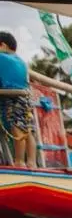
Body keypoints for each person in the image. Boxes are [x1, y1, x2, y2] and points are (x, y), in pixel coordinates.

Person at [0, 32, 36, 168]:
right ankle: (32, 162)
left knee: (17, 129)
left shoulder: (1, 57)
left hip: (12, 97)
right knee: (29, 130)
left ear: (2, 45)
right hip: (26, 98)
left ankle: (19, 161)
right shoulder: (20, 61)